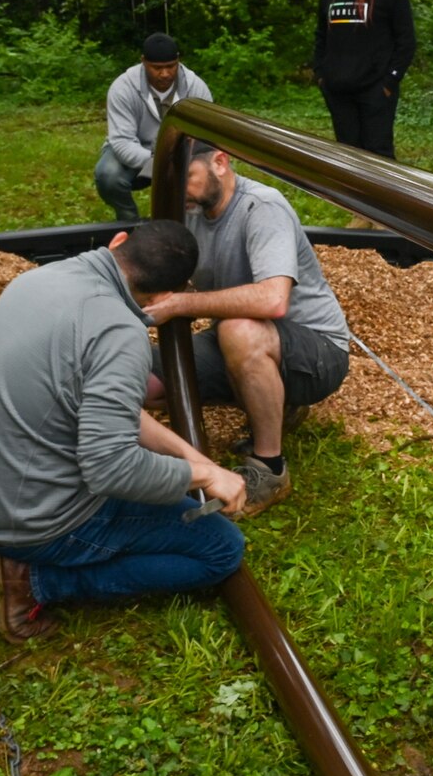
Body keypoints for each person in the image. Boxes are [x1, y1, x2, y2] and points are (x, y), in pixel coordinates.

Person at [0, 221, 247, 644]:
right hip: (28, 523)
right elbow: (111, 470)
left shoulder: (39, 279)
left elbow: (102, 410)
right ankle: (36, 582)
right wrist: (208, 477)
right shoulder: (120, 333)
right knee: (222, 550)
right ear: (161, 298)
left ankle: (23, 558)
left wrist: (195, 460)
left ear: (118, 242)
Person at [144, 141, 352, 518]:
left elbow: (273, 301)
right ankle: (274, 401)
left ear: (220, 162)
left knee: (240, 330)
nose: (179, 191)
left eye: (187, 177)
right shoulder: (191, 211)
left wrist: (180, 305)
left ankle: (270, 468)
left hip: (317, 352)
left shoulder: (262, 207)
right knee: (144, 381)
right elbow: (180, 281)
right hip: (238, 341)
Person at [311, 0, 415, 187]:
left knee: (378, 154)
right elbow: (321, 35)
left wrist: (389, 83)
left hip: (375, 89)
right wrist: (322, 74)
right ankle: (358, 213)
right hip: (338, 89)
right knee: (348, 155)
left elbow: (406, 41)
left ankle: (383, 217)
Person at [96, 32, 213, 222]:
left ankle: (193, 223)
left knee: (212, 173)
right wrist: (161, 165)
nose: (165, 74)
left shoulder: (196, 88)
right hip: (137, 154)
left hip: (182, 155)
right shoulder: (123, 88)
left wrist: (189, 165)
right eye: (157, 68)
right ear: (143, 62)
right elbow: (122, 141)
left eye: (170, 66)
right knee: (108, 175)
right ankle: (128, 221)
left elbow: (207, 137)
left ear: (178, 61)